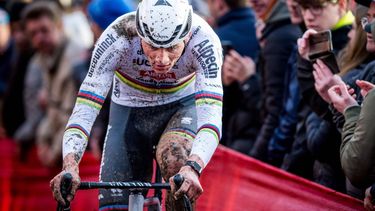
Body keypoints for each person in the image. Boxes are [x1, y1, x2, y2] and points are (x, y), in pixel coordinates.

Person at [50, 0, 223, 210]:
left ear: (186, 36)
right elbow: (85, 108)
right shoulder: (118, 36)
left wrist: (193, 167)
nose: (162, 58)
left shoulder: (204, 40)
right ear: (139, 34)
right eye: (152, 46)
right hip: (129, 108)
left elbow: (211, 118)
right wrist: (70, 164)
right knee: (115, 206)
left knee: (177, 163)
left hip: (181, 107)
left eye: (171, 47)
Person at [21, 1, 88, 167]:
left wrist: (54, 151)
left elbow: (72, 114)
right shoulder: (40, 60)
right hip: (58, 146)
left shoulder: (76, 58)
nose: (39, 38)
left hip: (76, 152)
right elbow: (51, 110)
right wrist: (43, 139)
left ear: (59, 26)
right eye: (33, 33)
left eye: (44, 30)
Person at [206, 0, 261, 154]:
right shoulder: (261, 30)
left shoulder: (215, 39)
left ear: (219, 4)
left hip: (236, 138)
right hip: (258, 135)